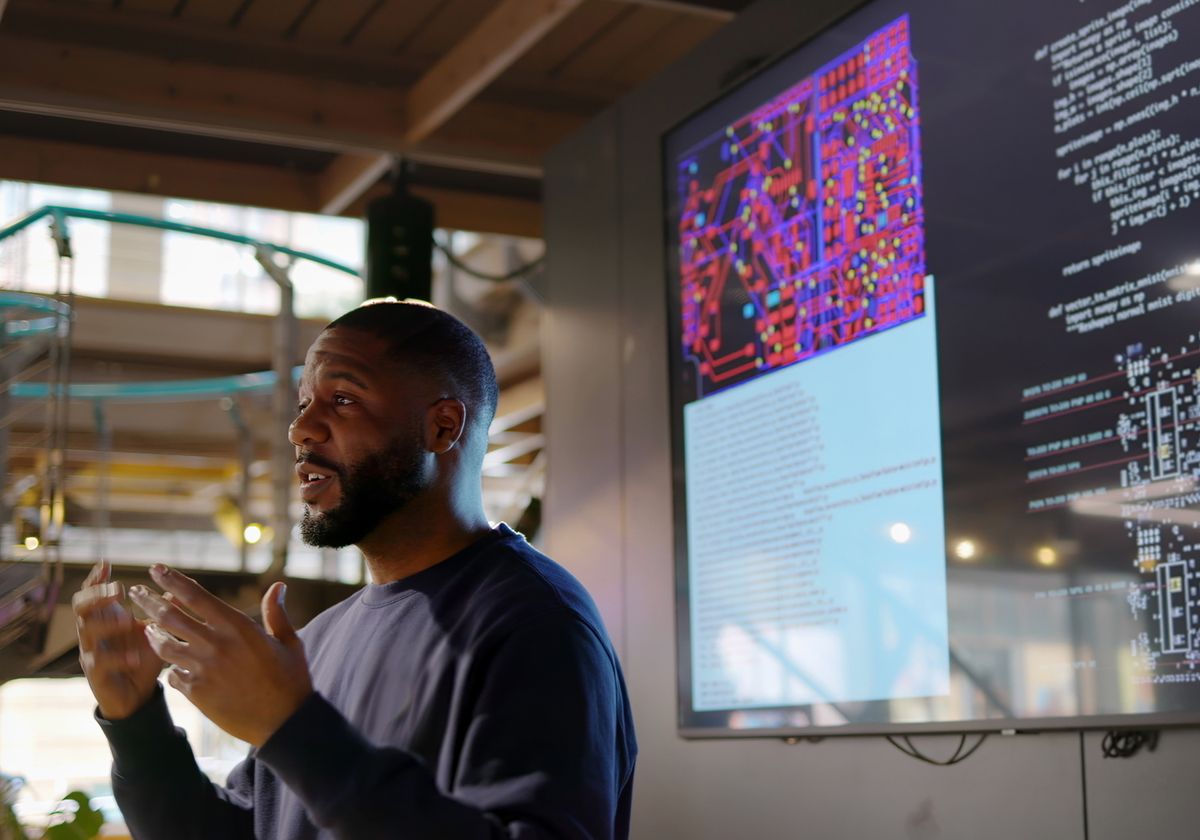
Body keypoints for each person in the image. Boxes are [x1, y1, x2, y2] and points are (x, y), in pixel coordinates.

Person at [72, 300, 637, 839]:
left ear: (442, 427)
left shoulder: (537, 624)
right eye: (302, 405)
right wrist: (138, 723)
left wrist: (292, 731)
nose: (300, 431)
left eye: (342, 400)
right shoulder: (315, 642)